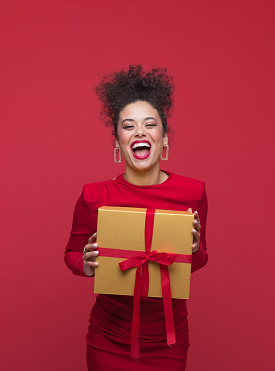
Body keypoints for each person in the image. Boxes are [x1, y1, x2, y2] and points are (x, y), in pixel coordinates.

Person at [64, 65, 208, 371]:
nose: (139, 132)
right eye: (128, 126)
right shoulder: (95, 196)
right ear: (117, 142)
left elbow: (196, 263)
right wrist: (86, 266)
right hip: (109, 338)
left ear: (164, 137)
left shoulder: (192, 193)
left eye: (149, 124)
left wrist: (194, 250)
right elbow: (72, 254)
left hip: (167, 341)